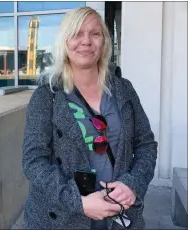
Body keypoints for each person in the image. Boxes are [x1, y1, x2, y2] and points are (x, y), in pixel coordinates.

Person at [22, 6, 158, 229]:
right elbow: (33, 162)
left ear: (104, 42)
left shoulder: (124, 90)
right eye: (77, 34)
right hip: (62, 218)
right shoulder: (47, 96)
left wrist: (133, 184)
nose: (86, 41)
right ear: (64, 43)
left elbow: (146, 145)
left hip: (118, 215)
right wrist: (77, 202)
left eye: (94, 33)